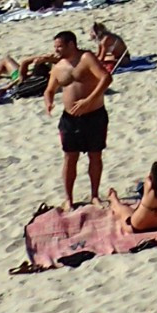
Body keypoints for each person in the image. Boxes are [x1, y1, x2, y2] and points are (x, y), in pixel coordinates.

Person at [44, 29, 111, 206]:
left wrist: (89, 100)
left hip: (94, 114)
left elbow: (106, 78)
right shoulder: (58, 67)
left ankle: (95, 195)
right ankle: (68, 198)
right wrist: (49, 101)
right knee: (69, 157)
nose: (56, 50)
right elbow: (50, 89)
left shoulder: (86, 58)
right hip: (70, 119)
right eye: (55, 47)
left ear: (71, 44)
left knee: (95, 156)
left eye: (59, 47)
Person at [107, 152, 157, 232]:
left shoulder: (150, 182)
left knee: (123, 210)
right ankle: (114, 200)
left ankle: (114, 199)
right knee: (123, 209)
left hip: (137, 226)